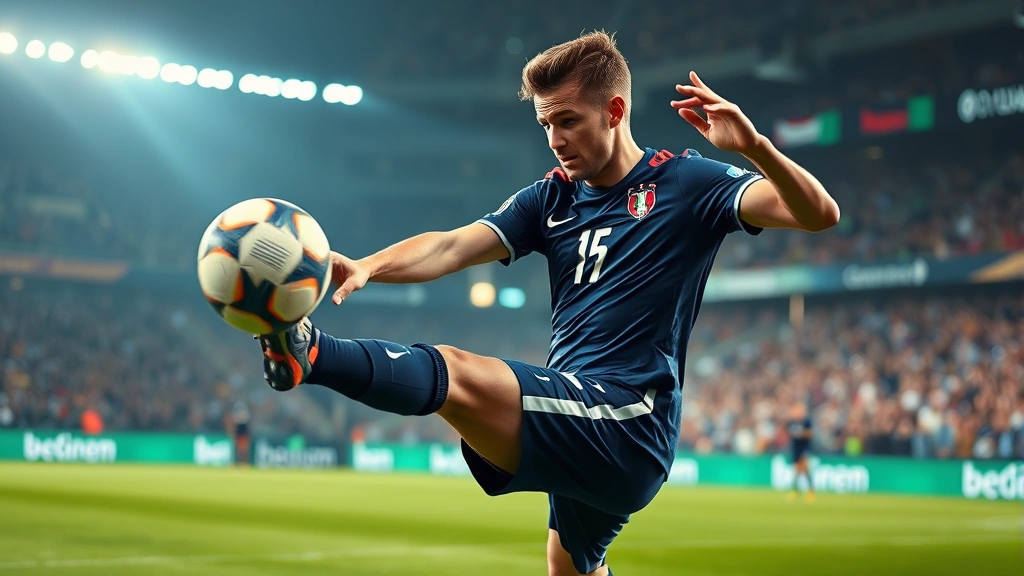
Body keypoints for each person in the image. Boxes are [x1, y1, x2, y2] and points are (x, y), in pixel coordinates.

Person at [258, 31, 839, 576]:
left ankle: (311, 353)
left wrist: (755, 146)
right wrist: (368, 265)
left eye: (568, 120)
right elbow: (454, 245)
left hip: (628, 420)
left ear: (614, 112)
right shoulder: (552, 197)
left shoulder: (688, 184)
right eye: (545, 123)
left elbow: (819, 214)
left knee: (457, 372)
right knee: (568, 568)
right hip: (579, 410)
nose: (556, 139)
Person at [785, 403, 815, 502]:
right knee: (797, 470)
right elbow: (789, 433)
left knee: (804, 468)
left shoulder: (806, 421)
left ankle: (809, 491)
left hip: (804, 448)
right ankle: (796, 490)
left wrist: (801, 434)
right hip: (795, 448)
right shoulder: (791, 422)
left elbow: (811, 433)